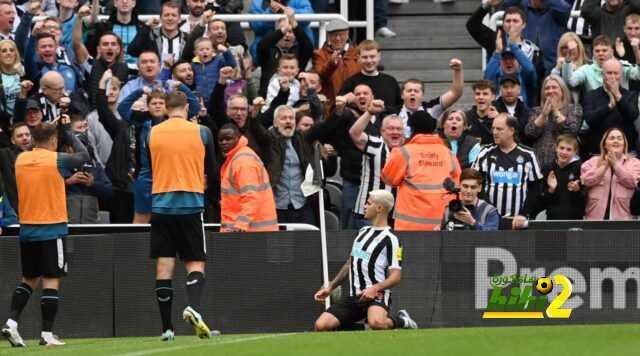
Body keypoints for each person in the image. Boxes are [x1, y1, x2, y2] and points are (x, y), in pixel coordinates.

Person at [2, 122, 89, 347]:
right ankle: (47, 334)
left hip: (27, 230)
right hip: (52, 228)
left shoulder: (20, 159)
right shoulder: (56, 159)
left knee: (29, 279)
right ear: (53, 141)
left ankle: (11, 323)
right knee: (51, 280)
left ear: (32, 140)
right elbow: (83, 155)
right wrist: (68, 132)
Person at [146, 91, 218, 340]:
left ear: (165, 108)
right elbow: (212, 170)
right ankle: (194, 308)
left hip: (161, 206)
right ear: (187, 107)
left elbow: (148, 164)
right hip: (190, 204)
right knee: (195, 263)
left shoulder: (152, 132)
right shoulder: (201, 132)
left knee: (164, 266)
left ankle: (167, 329)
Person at [313, 189, 417, 331]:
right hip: (355, 296)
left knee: (377, 323)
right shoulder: (362, 232)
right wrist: (330, 287)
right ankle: (364, 328)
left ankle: (403, 321)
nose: (364, 206)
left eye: (368, 203)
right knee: (321, 325)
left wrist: (374, 288)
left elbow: (396, 277)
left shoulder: (391, 239)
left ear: (379, 208)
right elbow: (350, 263)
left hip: (377, 294)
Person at [381, 111, 462, 230]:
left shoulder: (403, 152)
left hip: (409, 227)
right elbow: (457, 184)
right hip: (442, 225)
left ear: (412, 129)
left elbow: (388, 179)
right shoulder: (448, 153)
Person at [248, 102, 315, 225]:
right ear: (274, 123)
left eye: (291, 118)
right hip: (276, 205)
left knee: (307, 242)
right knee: (280, 244)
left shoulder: (302, 139)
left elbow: (324, 127)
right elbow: (257, 130)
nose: (288, 121)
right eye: (283, 118)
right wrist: (255, 114)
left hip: (302, 204)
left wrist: (338, 112)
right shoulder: (269, 140)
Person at [473, 113, 543, 229]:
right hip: (489, 220)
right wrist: (490, 211)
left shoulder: (528, 154)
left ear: (511, 131)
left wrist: (524, 214)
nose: (494, 132)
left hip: (517, 221)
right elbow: (476, 184)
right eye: (493, 128)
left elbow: (535, 188)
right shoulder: (485, 152)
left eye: (499, 129)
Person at [349, 100, 404, 228]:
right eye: (390, 128)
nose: (395, 132)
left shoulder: (408, 150)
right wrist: (369, 112)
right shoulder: (376, 144)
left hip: (396, 216)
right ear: (382, 131)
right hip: (369, 214)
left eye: (398, 129)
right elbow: (354, 134)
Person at [218, 123, 278, 232]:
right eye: (221, 140)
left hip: (251, 232)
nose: (223, 142)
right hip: (248, 230)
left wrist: (241, 224)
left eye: (228, 139)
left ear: (238, 138)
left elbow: (251, 196)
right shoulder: (237, 158)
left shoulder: (243, 161)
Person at [583, 59, 639, 158]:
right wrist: (609, 107)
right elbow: (589, 119)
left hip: (627, 152)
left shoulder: (631, 95)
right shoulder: (591, 95)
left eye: (616, 73)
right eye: (609, 73)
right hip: (599, 153)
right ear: (602, 75)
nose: (612, 77)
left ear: (621, 75)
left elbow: (633, 116)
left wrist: (618, 97)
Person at [581, 128, 640, 220]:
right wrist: (604, 167)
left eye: (619, 138)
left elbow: (633, 181)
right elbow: (586, 181)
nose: (616, 140)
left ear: (624, 144)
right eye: (612, 138)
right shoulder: (592, 162)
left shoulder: (635, 163)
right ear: (604, 144)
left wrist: (616, 166)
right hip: (595, 219)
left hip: (624, 219)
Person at [396, 59, 464, 139]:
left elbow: (455, 93)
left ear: (422, 95)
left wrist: (458, 70)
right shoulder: (393, 112)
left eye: (416, 91)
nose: (412, 93)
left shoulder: (431, 109)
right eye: (409, 90)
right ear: (402, 95)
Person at [525, 75, 582, 166]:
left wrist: (555, 111)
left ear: (562, 90)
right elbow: (529, 132)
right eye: (547, 88)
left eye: (554, 87)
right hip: (541, 162)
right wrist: (543, 115)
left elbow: (572, 130)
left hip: (565, 163)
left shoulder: (574, 108)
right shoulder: (536, 110)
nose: (550, 91)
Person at [257, 6, 313, 98]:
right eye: (283, 31)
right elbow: (261, 46)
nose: (286, 35)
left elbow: (308, 47)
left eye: (290, 32)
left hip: (295, 101)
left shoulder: (299, 50)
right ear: (276, 32)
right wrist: (284, 29)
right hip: (269, 101)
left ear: (295, 35)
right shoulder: (268, 49)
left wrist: (294, 24)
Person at [503, 0, 572, 73]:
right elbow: (506, 3)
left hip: (552, 65)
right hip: (526, 63)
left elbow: (565, 9)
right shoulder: (523, 6)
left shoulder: (555, 9)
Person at [338, 40, 402, 111]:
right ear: (358, 58)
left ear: (379, 56)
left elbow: (401, 107)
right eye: (365, 57)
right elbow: (335, 109)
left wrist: (384, 109)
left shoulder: (391, 81)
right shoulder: (351, 83)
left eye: (372, 56)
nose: (369, 61)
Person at [312, 18, 361, 108]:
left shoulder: (359, 54)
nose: (338, 38)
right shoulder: (319, 54)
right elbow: (320, 77)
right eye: (334, 35)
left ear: (347, 34)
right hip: (330, 108)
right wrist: (331, 64)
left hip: (355, 107)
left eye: (341, 34)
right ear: (328, 36)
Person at [535, 134, 586, 219]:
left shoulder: (581, 168)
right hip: (551, 219)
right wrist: (551, 190)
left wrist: (577, 190)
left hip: (575, 220)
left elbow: (584, 202)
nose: (564, 152)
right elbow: (540, 202)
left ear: (575, 152)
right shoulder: (547, 168)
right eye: (561, 148)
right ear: (556, 148)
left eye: (569, 149)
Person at [484, 29, 537, 106]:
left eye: (512, 58)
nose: (508, 61)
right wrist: (498, 52)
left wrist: (513, 46)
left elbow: (531, 70)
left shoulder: (524, 77)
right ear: (500, 61)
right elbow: (487, 77)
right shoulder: (496, 78)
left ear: (519, 61)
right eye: (505, 58)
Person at [550, 32, 589, 104]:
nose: (569, 50)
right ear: (560, 49)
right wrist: (557, 69)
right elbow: (551, 87)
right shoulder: (554, 68)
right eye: (565, 48)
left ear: (579, 48)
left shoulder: (587, 67)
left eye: (572, 48)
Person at [492, 73, 530, 143]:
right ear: (500, 89)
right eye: (505, 87)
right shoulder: (493, 109)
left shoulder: (526, 111)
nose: (509, 91)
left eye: (512, 87)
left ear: (519, 89)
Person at [466, 80, 498, 146]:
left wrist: (500, 120)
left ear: (493, 97)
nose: (481, 97)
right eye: (478, 94)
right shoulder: (465, 117)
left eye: (485, 94)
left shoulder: (499, 119)